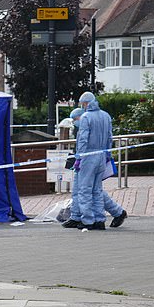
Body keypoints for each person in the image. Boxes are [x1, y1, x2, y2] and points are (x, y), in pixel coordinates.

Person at [62, 107, 127, 230]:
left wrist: (80, 158)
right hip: (90, 158)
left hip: (89, 159)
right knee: (83, 189)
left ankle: (112, 213)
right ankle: (78, 216)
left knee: (89, 190)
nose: (74, 122)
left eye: (75, 119)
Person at [67, 92, 112, 230]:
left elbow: (83, 139)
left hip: (88, 155)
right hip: (102, 155)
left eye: (82, 104)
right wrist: (107, 154)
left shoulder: (86, 117)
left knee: (84, 189)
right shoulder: (106, 116)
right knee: (97, 190)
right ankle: (100, 219)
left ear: (85, 103)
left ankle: (87, 220)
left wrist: (79, 157)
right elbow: (110, 137)